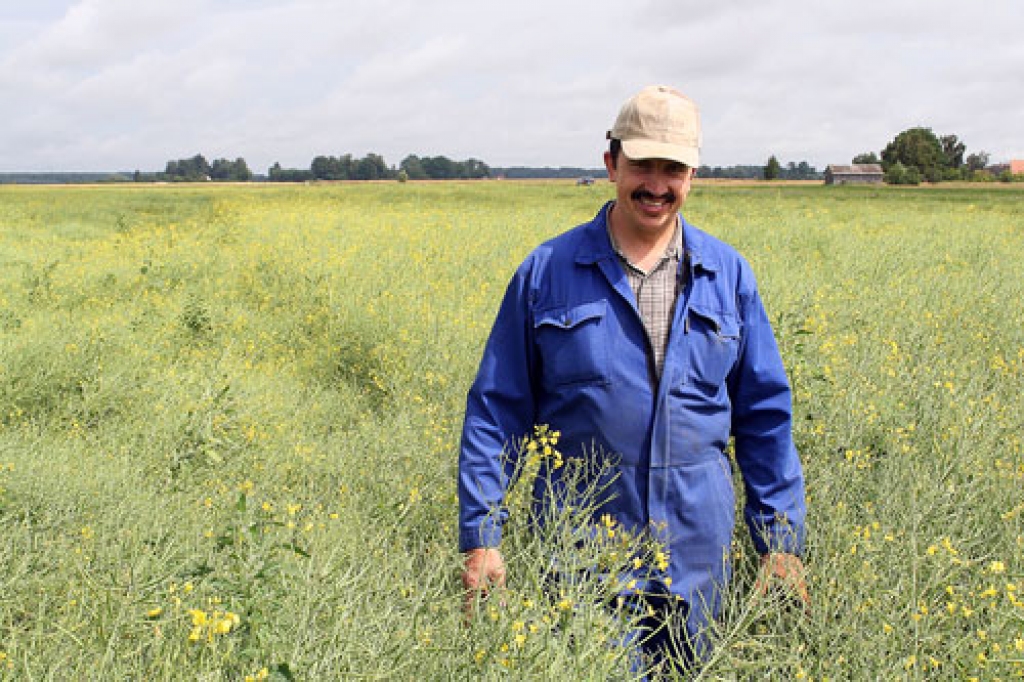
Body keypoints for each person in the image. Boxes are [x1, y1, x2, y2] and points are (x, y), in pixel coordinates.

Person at [458, 85, 808, 672]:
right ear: (611, 162)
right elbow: (497, 411)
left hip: (701, 556)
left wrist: (780, 543)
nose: (657, 183)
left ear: (693, 173)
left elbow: (764, 415)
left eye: (673, 167)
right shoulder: (547, 272)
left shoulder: (728, 275)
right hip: (581, 554)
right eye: (642, 163)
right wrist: (483, 533)